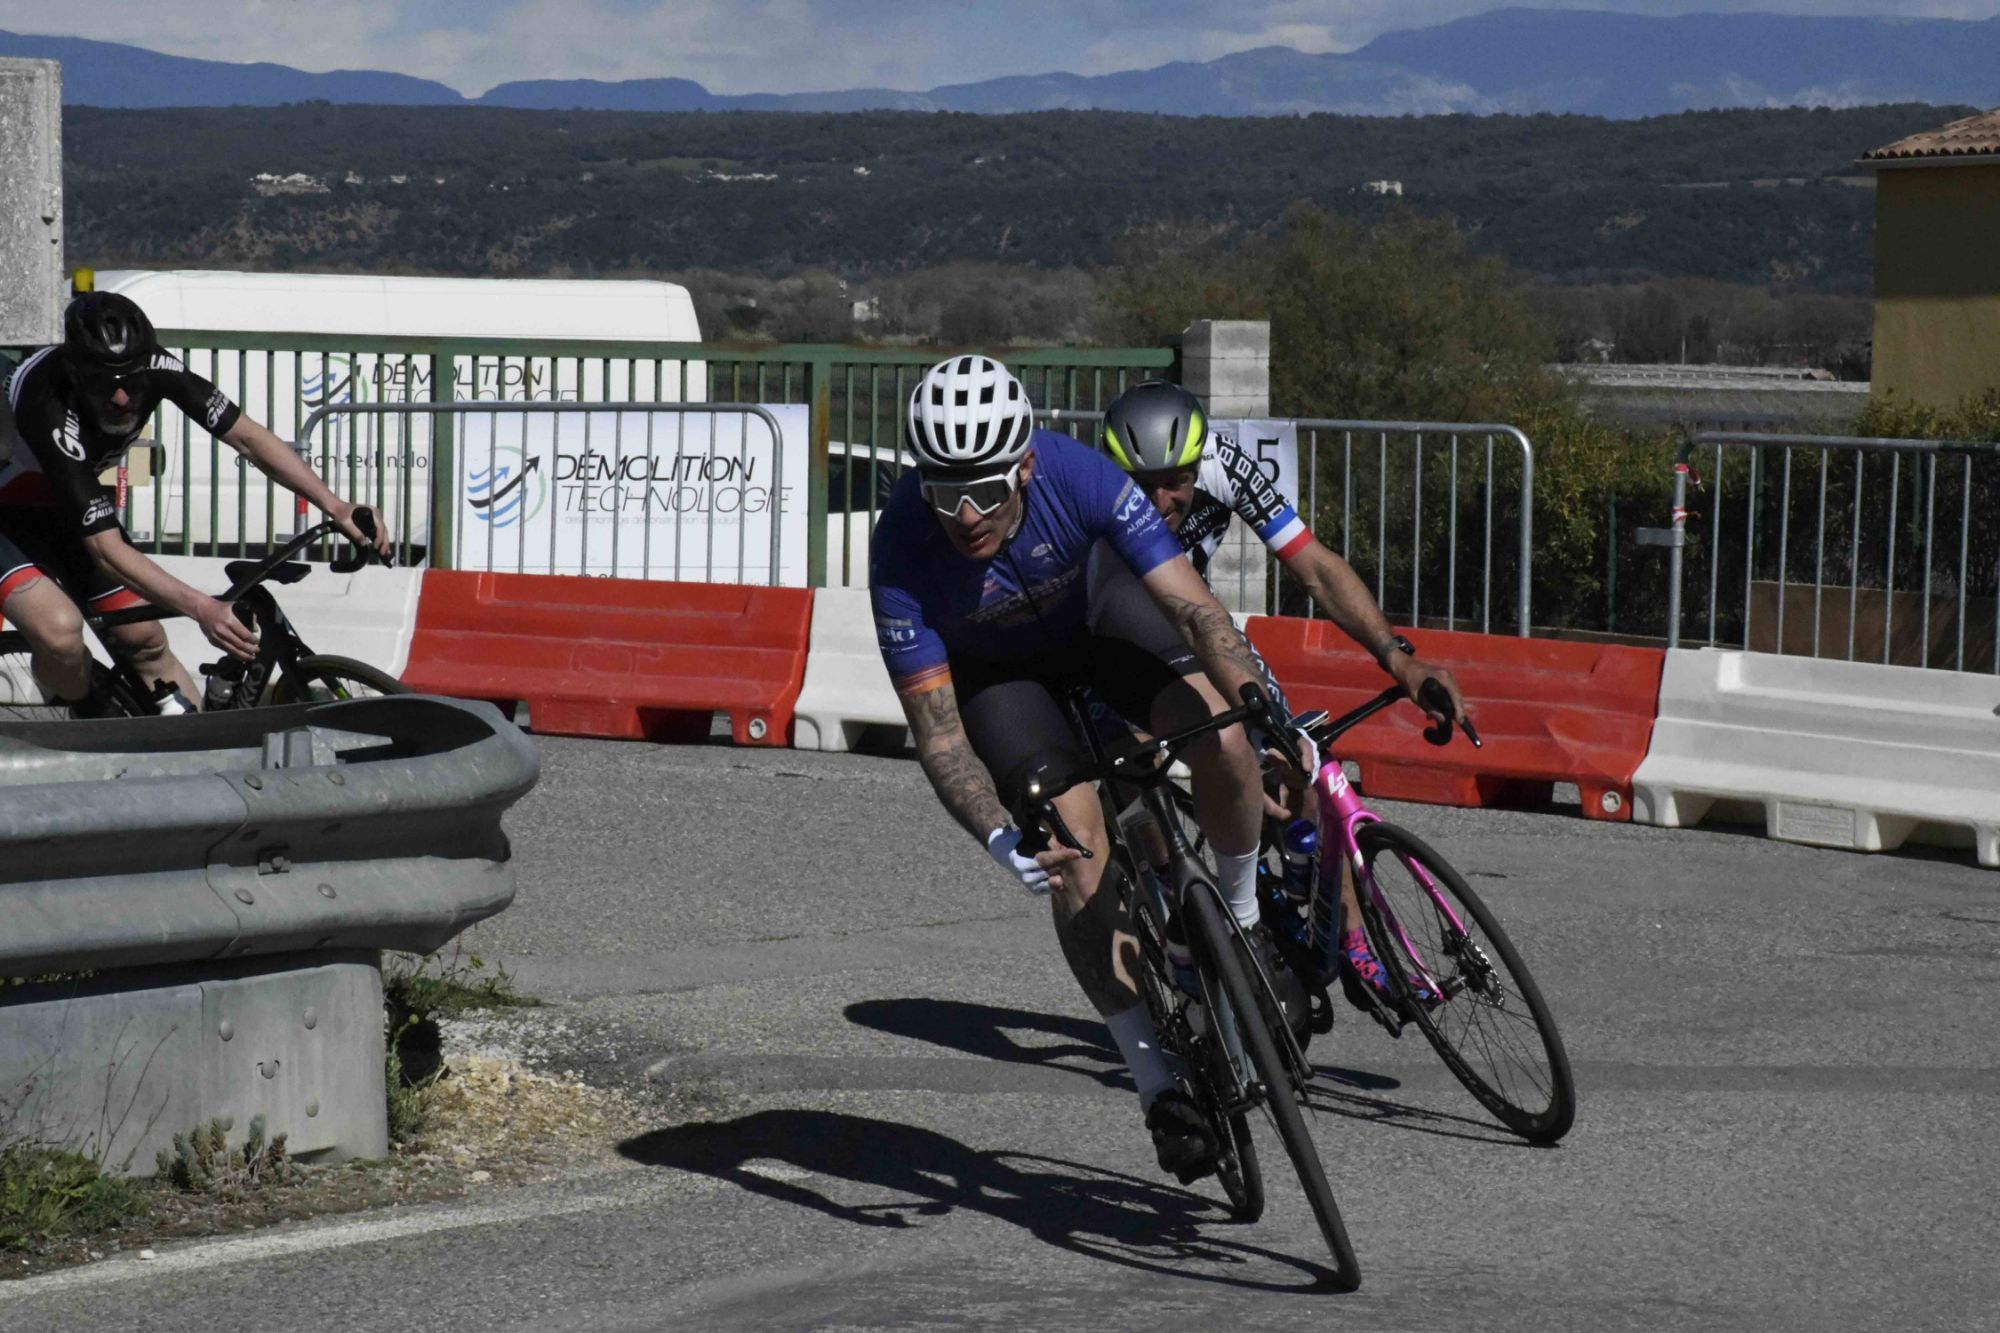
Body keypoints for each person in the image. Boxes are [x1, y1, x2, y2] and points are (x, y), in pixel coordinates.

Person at [870, 355, 1295, 1184]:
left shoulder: (1080, 475)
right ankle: (1156, 1085)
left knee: (1224, 738)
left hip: (1103, 622)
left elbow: (1193, 609)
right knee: (1074, 855)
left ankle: (1241, 919)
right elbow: (941, 735)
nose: (964, 516)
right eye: (943, 492)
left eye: (983, 490)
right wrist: (998, 837)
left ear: (1025, 466)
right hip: (1003, 679)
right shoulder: (900, 549)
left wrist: (1254, 698)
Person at [1099, 378, 1467, 1015]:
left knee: (1299, 760)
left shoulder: (1223, 465)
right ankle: (1178, 902)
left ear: (1197, 462)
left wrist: (1397, 657)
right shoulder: (1093, 494)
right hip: (1116, 642)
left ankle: (1352, 940)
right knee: (1134, 769)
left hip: (1198, 628)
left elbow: (1314, 567)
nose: (1161, 501)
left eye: (1176, 482)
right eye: (1144, 484)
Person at [1, 291, 391, 716]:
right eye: (105, 386)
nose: (122, 398)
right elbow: (106, 551)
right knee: (60, 632)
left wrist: (335, 505)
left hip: (62, 507)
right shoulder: (45, 400)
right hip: (7, 513)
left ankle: (197, 746)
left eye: (133, 383)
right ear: (77, 373)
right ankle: (83, 709)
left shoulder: (154, 366)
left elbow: (247, 437)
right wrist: (202, 608)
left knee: (146, 641)